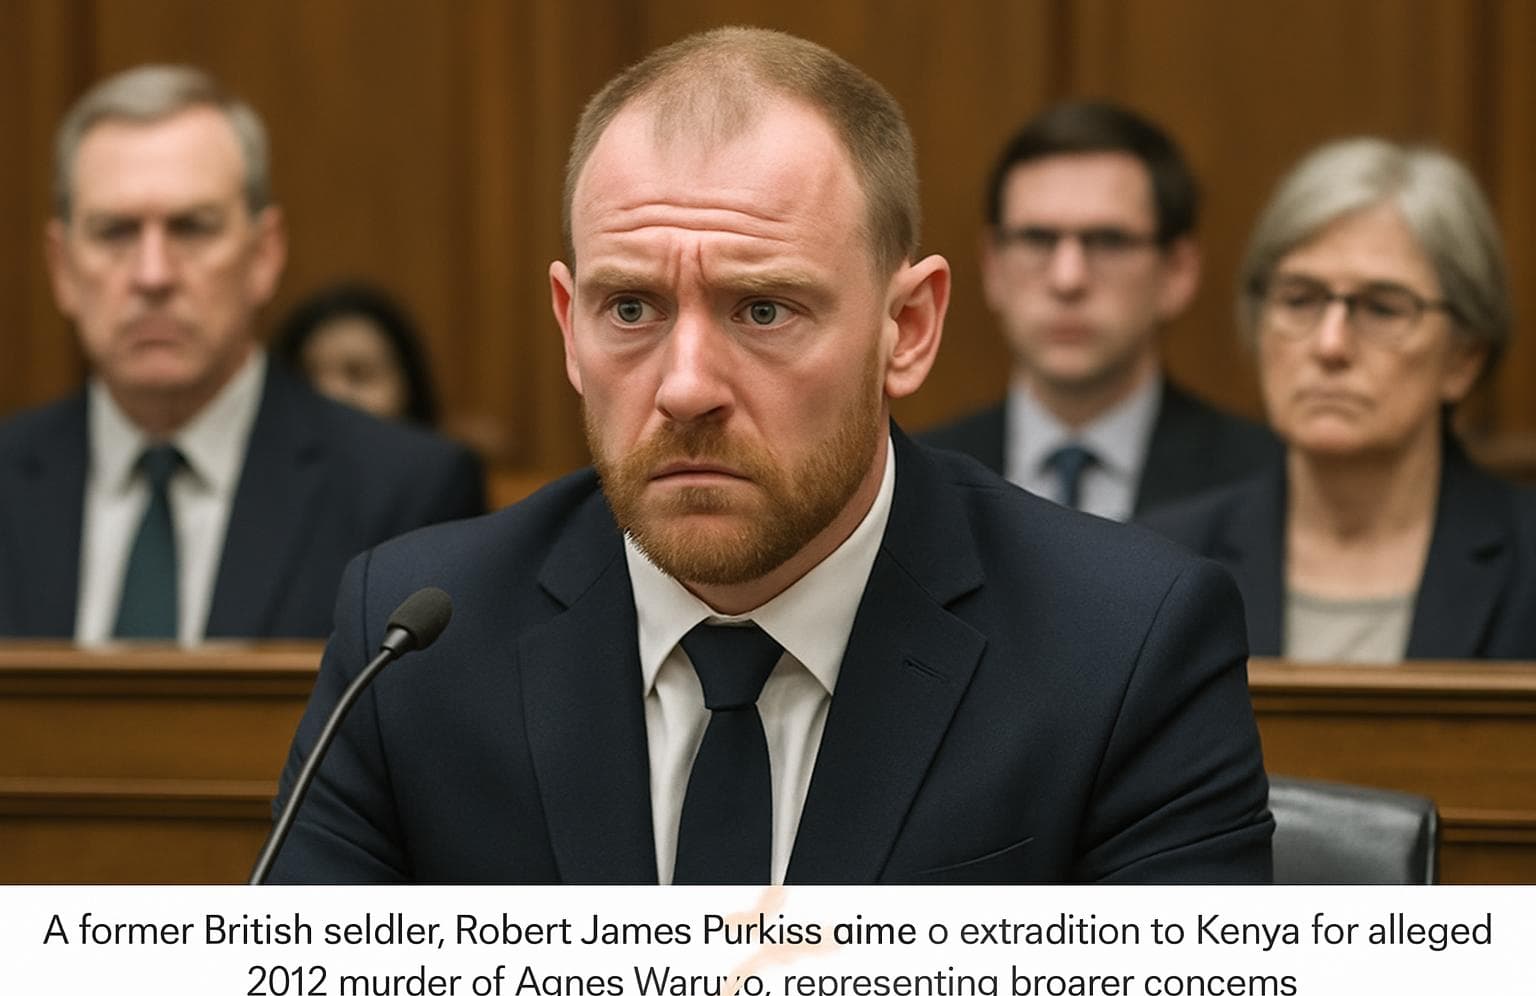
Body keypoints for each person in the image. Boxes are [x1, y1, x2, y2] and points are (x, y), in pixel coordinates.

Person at [268, 28, 1270, 883]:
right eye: (631, 308)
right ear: (570, 327)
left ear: (907, 328)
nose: (686, 385)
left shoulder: (1122, 645)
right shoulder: (413, 644)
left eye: (763, 309)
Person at [0, 65, 485, 643]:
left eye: (192, 227)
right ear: (62, 267)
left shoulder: (403, 493)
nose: (153, 275)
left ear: (263, 254)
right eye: (115, 232)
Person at [1145, 138, 1535, 660]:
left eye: (1384, 309)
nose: (1330, 345)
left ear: (1463, 359)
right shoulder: (1160, 561)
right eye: (1299, 299)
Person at [923, 101, 1278, 519]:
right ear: (993, 266)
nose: (1067, 279)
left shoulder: (1266, 478)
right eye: (1037, 239)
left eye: (1108, 241)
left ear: (1177, 271)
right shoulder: (917, 475)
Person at [272, 282, 440, 426]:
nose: (330, 394)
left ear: (409, 389)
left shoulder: (443, 460)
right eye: (307, 378)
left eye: (359, 374)